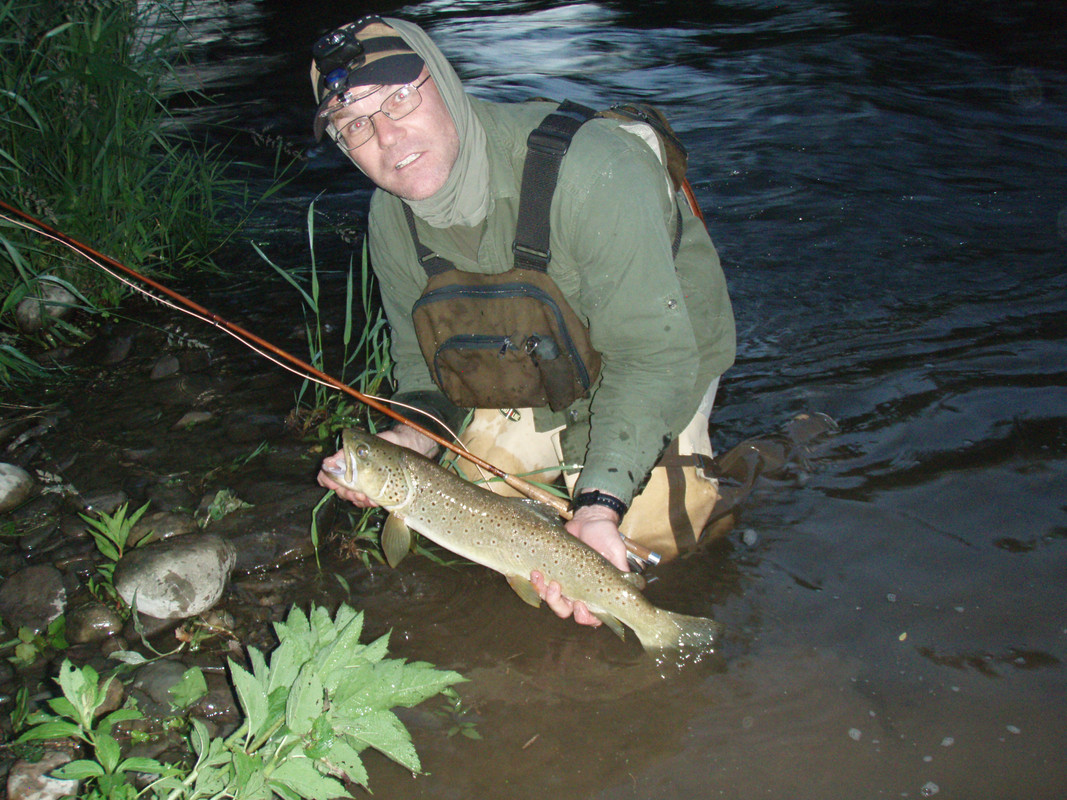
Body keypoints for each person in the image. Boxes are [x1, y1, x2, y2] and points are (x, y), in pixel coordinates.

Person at [312, 16, 735, 628]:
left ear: (445, 83)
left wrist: (597, 505)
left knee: (648, 539)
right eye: (355, 125)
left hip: (657, 350)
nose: (386, 135)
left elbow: (652, 357)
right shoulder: (390, 217)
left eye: (400, 97)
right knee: (479, 488)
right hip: (540, 358)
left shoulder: (592, 169)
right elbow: (418, 365)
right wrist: (410, 439)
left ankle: (738, 477)